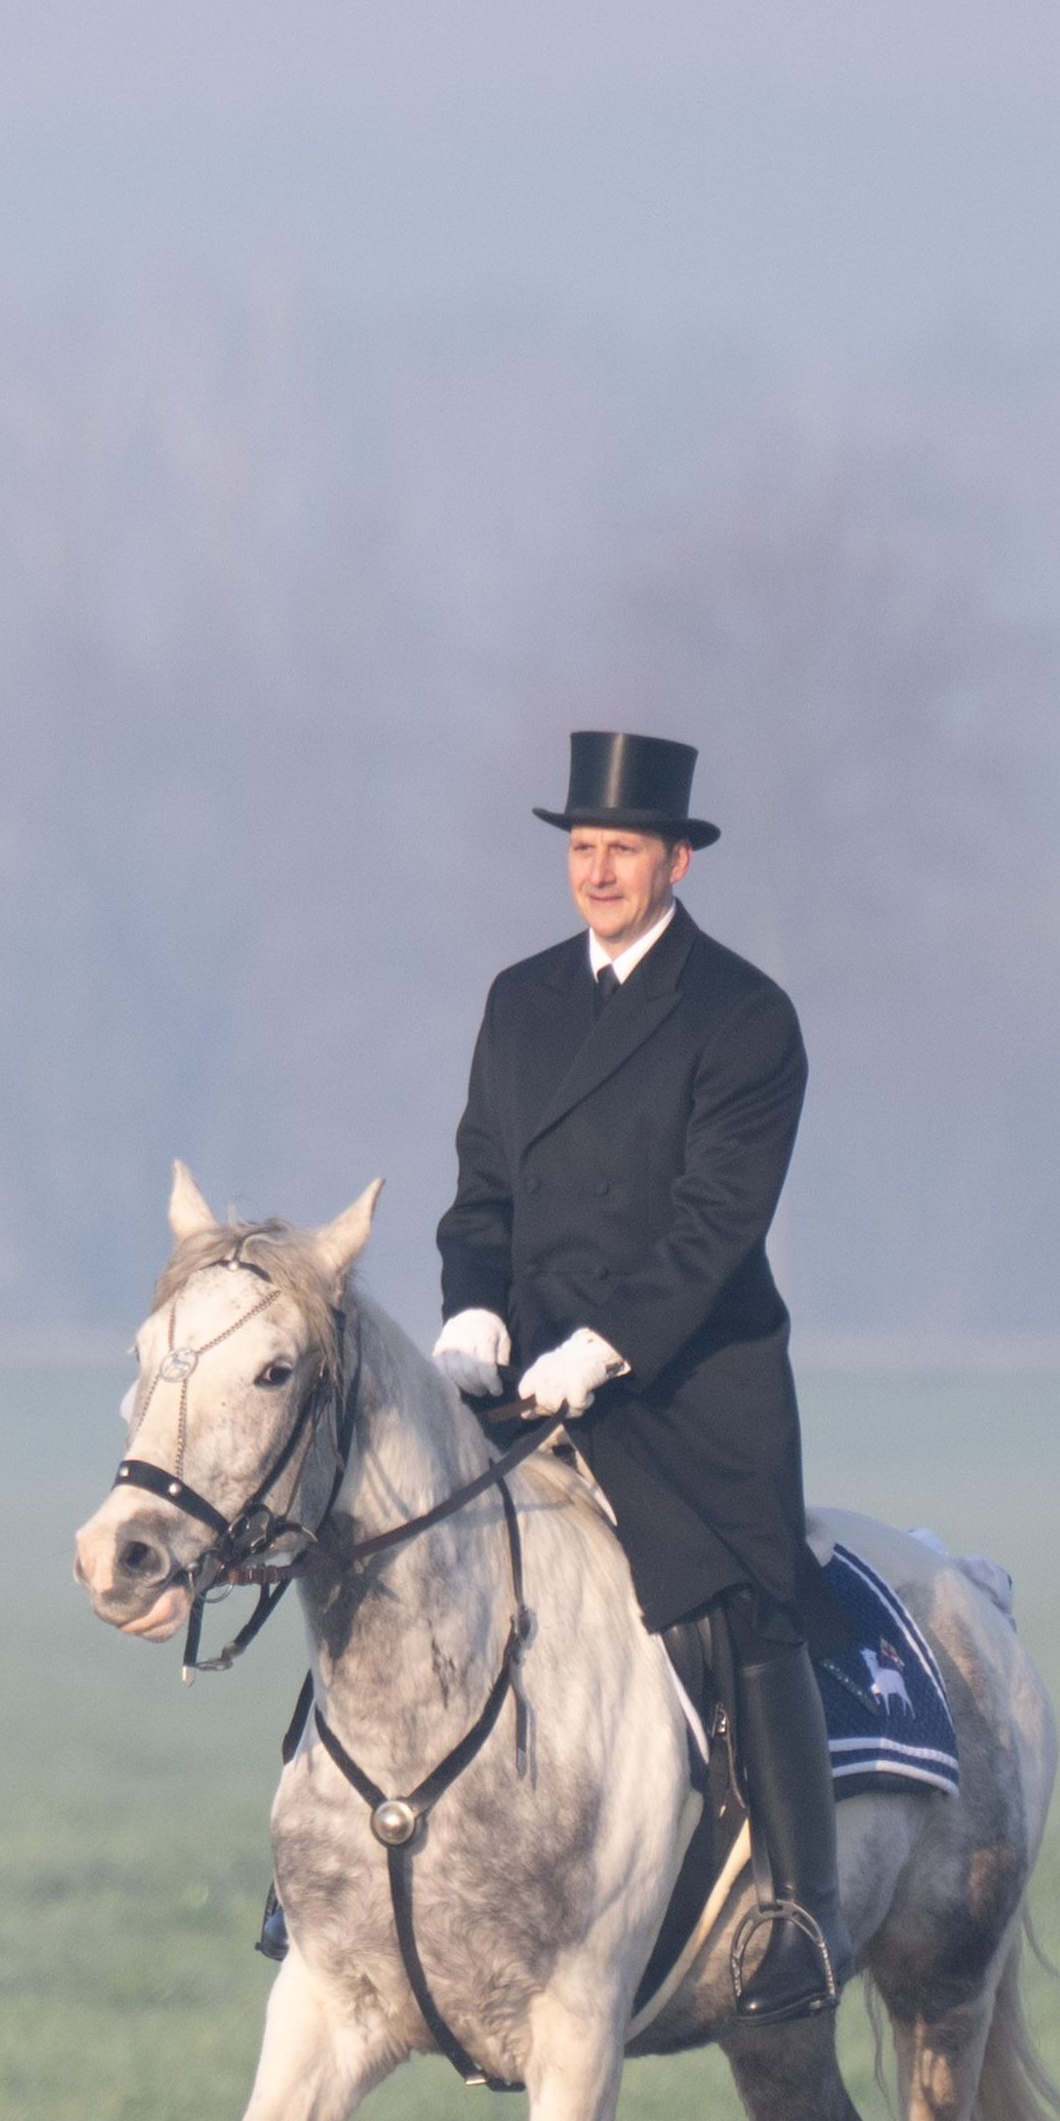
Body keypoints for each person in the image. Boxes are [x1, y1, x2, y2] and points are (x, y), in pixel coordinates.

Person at [429, 729, 845, 2030]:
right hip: (521, 1373)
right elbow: (481, 1192)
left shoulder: (745, 1018)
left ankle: (804, 1912)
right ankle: (319, 1871)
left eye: (622, 849)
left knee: (747, 1603)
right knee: (380, 1539)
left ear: (676, 862)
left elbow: (713, 1231)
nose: (597, 871)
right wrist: (471, 1310)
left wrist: (600, 1348)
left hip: (683, 1389)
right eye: (583, 847)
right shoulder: (519, 1002)